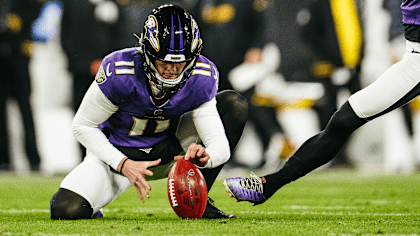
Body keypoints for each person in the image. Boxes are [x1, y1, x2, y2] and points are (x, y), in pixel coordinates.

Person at [50, 4, 247, 219]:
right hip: (118, 156)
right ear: (148, 53)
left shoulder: (202, 75)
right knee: (65, 209)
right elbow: (82, 125)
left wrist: (206, 157)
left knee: (233, 104)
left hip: (172, 152)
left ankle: (200, 201)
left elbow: (220, 144)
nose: (172, 69)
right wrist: (122, 164)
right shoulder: (119, 71)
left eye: (180, 62)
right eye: (164, 61)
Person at [223, 0, 420, 205]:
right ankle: (269, 184)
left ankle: (269, 184)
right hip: (414, 57)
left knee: (343, 119)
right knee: (343, 119)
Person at [0, 0, 43, 171]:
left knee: (26, 109)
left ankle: (34, 160)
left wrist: (22, 20)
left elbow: (36, 7)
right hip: (2, 60)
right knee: (1, 114)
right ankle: (4, 160)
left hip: (19, 58)